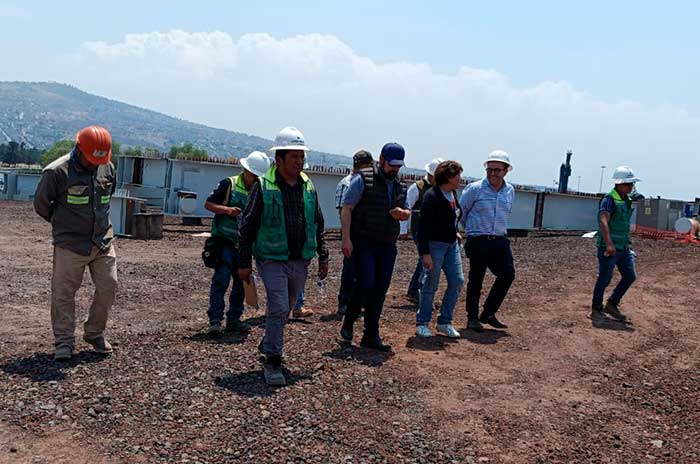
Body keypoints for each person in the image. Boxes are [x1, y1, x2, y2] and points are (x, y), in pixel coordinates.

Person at [238, 127, 329, 386]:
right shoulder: (263, 187)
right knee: (277, 306)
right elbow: (247, 226)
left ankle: (269, 341)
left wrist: (323, 256)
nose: (300, 162)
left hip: (300, 259)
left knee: (286, 309)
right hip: (271, 257)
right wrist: (243, 263)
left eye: (302, 157)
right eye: (294, 157)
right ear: (279, 160)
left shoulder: (308, 186)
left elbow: (317, 221)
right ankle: (273, 361)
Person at [33, 125, 117, 361]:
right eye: (91, 158)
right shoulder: (56, 172)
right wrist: (63, 225)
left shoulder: (107, 167)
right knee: (63, 293)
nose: (94, 164)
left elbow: (107, 199)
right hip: (70, 244)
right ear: (79, 148)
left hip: (102, 241)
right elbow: (41, 205)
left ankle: (94, 333)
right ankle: (64, 343)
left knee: (109, 286)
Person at [339, 142, 410, 351]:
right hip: (364, 240)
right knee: (366, 284)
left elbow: (407, 210)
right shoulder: (363, 179)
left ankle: (371, 335)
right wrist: (346, 239)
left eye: (398, 166)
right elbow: (347, 208)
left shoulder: (400, 184)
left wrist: (403, 214)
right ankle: (349, 321)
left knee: (380, 290)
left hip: (387, 243)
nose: (395, 169)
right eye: (392, 165)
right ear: (381, 160)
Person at [204, 151, 270, 335]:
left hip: (244, 246)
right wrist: (226, 210)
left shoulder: (261, 191)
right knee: (221, 279)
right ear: (245, 170)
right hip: (224, 241)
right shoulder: (228, 184)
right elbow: (208, 204)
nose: (255, 180)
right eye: (253, 176)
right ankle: (215, 320)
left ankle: (234, 319)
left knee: (241, 284)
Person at [459, 150, 516, 332]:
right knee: (476, 279)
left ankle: (488, 313)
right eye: (490, 169)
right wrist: (464, 231)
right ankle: (472, 318)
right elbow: (461, 212)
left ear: (506, 171)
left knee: (507, 275)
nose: (493, 173)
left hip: (499, 240)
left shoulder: (510, 190)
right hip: (478, 240)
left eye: (497, 170)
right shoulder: (475, 189)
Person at [415, 160, 464, 338]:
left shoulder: (453, 194)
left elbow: (451, 218)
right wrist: (425, 254)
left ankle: (444, 322)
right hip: (434, 246)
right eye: (458, 174)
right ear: (448, 177)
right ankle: (422, 322)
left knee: (457, 281)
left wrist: (455, 232)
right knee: (430, 285)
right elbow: (423, 228)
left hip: (451, 245)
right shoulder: (432, 197)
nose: (461, 178)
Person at [591, 166, 641, 322]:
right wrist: (609, 244)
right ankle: (596, 308)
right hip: (610, 247)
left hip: (624, 247)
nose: (631, 186)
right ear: (620, 184)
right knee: (605, 278)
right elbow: (603, 221)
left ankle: (612, 304)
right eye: (629, 184)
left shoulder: (626, 200)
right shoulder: (609, 199)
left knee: (630, 276)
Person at [334, 149, 374, 315]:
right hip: (352, 233)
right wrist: (346, 237)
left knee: (363, 270)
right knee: (350, 269)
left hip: (365, 233)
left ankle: (358, 302)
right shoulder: (347, 183)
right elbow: (342, 210)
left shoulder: (367, 182)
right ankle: (344, 301)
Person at [402, 158, 443, 303]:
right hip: (419, 230)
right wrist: (403, 230)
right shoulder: (417, 188)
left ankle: (414, 290)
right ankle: (416, 290)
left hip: (434, 231)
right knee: (425, 259)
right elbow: (406, 207)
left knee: (424, 260)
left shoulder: (440, 189)